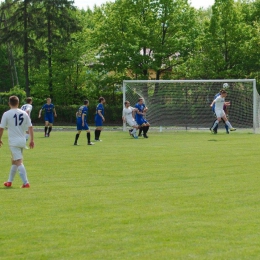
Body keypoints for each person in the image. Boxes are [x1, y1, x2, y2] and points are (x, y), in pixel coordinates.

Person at [0, 95, 34, 188]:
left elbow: (1, 128)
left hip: (13, 141)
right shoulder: (24, 113)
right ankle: (9, 182)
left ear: (9, 103)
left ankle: (26, 183)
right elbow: (30, 127)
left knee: (18, 161)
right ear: (18, 103)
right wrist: (32, 140)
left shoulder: (6, 114)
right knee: (14, 161)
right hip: (22, 140)